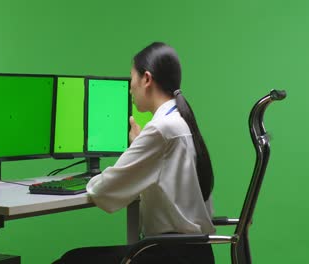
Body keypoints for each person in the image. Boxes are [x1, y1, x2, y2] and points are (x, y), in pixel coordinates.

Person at [53, 42, 215, 264]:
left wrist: (87, 182)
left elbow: (104, 189)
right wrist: (141, 145)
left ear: (146, 79)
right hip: (195, 253)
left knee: (71, 260)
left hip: (169, 255)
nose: (130, 88)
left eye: (132, 79)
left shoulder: (161, 129)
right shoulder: (180, 121)